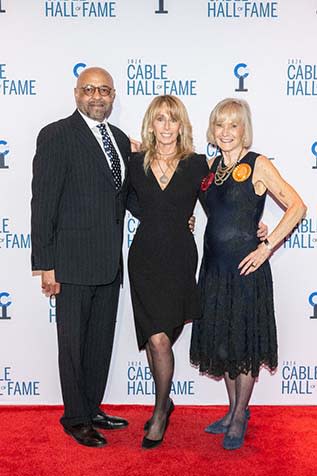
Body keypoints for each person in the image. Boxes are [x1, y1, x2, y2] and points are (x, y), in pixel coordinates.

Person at [190, 98, 306, 450]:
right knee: (224, 344)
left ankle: (241, 414)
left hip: (245, 269)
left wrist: (266, 245)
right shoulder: (209, 170)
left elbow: (297, 206)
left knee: (243, 342)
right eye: (220, 125)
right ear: (213, 129)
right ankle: (231, 410)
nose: (226, 132)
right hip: (213, 269)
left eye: (233, 125)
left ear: (244, 130)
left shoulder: (258, 164)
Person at [31, 67, 130, 447]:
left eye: (104, 90)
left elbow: (126, 197)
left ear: (114, 95)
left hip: (108, 264)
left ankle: (91, 408)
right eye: (89, 89)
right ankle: (74, 417)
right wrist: (46, 264)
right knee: (72, 345)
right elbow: (43, 204)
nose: (97, 96)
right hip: (70, 265)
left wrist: (175, 214)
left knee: (99, 343)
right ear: (76, 94)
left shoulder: (120, 140)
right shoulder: (56, 135)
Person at [128, 95, 210, 449]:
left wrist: (255, 225)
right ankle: (161, 411)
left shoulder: (196, 165)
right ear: (151, 124)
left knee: (161, 336)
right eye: (159, 119)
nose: (165, 126)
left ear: (181, 126)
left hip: (178, 258)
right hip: (144, 258)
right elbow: (121, 202)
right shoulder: (134, 163)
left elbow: (221, 204)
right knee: (157, 338)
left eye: (172, 120)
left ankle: (163, 404)